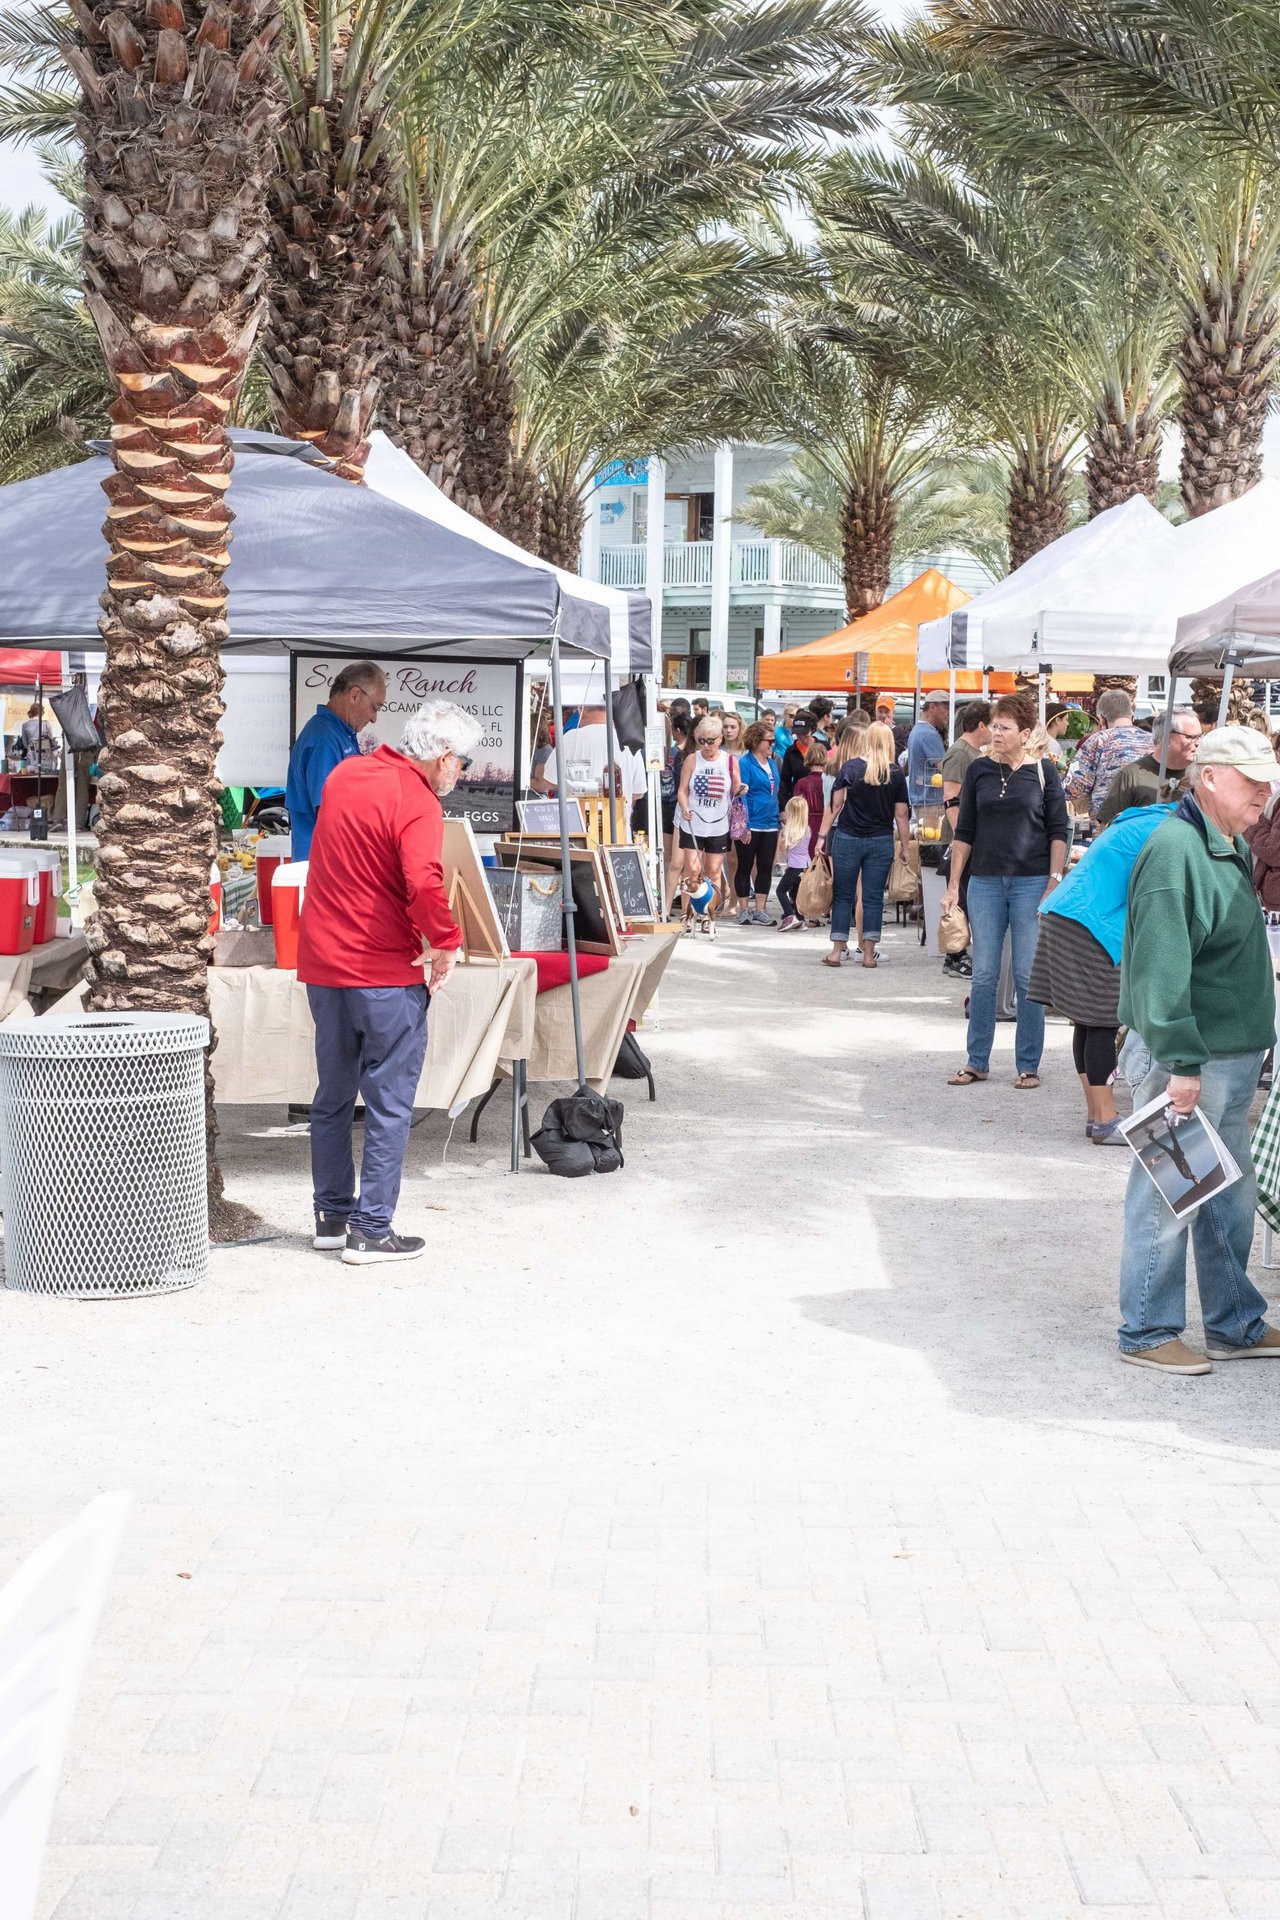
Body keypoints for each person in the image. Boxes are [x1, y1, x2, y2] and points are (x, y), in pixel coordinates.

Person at [1117, 726, 1280, 1373]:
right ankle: (1147, 1330)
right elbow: (1161, 971)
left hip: (1225, 1057)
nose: (1264, 794)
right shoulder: (1176, 850)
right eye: (1252, 781)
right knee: (1168, 1195)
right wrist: (1182, 1064)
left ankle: (1233, 1323)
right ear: (1208, 777)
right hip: (1195, 1057)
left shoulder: (1222, 840)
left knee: (1225, 1197)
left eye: (1268, 782)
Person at [297, 699, 481, 1265]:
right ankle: (371, 1229)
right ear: (444, 756)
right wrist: (446, 942)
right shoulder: (417, 799)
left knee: (332, 1096)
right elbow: (423, 881)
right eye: (464, 763)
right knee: (389, 1101)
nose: (462, 773)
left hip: (325, 962)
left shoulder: (347, 773)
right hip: (383, 970)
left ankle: (332, 1217)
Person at [1029, 801, 1177, 1145]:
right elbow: (1158, 896)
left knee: (1087, 1022)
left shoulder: (1146, 818)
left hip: (1065, 913)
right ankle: (1107, 1120)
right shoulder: (1170, 831)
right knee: (1102, 1022)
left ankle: (1097, 1115)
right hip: (1089, 923)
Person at [942, 694, 1069, 1090]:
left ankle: (1028, 1064)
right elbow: (965, 831)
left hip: (1032, 882)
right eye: (994, 726)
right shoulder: (979, 770)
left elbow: (1059, 831)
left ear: (1025, 733)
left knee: (1027, 974)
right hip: (985, 882)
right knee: (983, 974)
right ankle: (976, 1060)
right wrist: (953, 885)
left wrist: (1054, 879)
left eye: (1004, 728)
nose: (996, 733)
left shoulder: (1044, 772)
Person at [814, 721, 911, 969]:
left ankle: (837, 951)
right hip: (880, 840)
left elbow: (835, 806)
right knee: (873, 897)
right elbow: (901, 815)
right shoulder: (895, 773)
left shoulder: (850, 767)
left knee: (843, 894)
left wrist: (822, 836)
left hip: (848, 837)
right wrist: (905, 847)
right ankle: (868, 954)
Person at [286, 659, 387, 861]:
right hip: (326, 865)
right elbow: (330, 815)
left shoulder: (338, 733)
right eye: (374, 707)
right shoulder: (324, 739)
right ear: (355, 695)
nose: (374, 718)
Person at [938, 701, 992, 980]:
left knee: (965, 896)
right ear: (981, 725)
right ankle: (956, 956)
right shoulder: (960, 753)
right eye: (993, 725)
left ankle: (956, 955)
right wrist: (962, 837)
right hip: (961, 840)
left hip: (968, 838)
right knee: (959, 897)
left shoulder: (972, 752)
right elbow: (951, 799)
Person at [674, 712, 736, 939]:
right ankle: (686, 915)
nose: (707, 746)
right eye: (702, 741)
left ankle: (708, 916)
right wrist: (684, 807)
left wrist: (741, 789)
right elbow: (682, 790)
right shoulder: (692, 760)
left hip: (718, 824)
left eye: (711, 740)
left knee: (713, 872)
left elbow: (735, 787)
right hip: (693, 823)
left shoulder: (729, 760)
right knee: (691, 869)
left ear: (720, 738)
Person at [1096, 707, 1201, 825]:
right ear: (1167, 738)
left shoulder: (1202, 775)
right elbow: (1108, 827)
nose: (1198, 742)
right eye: (1191, 737)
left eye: (1200, 736)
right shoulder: (1132, 777)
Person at [1063, 689, 1149, 821]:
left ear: (1101, 719)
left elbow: (1074, 790)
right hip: (1149, 824)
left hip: (1108, 826)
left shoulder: (1098, 741)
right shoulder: (1153, 741)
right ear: (1131, 715)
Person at [734, 719, 781, 924]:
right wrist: (744, 824)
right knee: (744, 865)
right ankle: (744, 909)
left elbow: (775, 792)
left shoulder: (772, 763)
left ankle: (761, 909)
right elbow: (741, 794)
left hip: (770, 823)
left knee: (765, 866)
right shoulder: (745, 763)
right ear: (756, 741)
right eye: (769, 741)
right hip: (751, 822)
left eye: (773, 741)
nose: (772, 745)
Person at [906, 691, 950, 808]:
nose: (948, 713)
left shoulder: (917, 730)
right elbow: (945, 769)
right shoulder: (929, 734)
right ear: (932, 707)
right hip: (931, 801)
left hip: (919, 798)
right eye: (946, 707)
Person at [776, 796, 812, 930]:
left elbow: (782, 848)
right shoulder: (807, 829)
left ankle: (789, 915)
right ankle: (800, 919)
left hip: (794, 867)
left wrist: (782, 836)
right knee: (796, 893)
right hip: (805, 865)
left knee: (780, 891)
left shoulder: (789, 831)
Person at [795, 742, 831, 857]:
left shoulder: (802, 783)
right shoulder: (830, 781)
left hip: (807, 826)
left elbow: (796, 810)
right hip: (827, 825)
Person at [779, 712, 815, 805]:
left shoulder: (823, 747)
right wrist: (783, 806)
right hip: (798, 802)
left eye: (805, 733)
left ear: (812, 730)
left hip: (819, 800)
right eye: (798, 733)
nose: (801, 737)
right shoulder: (791, 751)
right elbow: (784, 780)